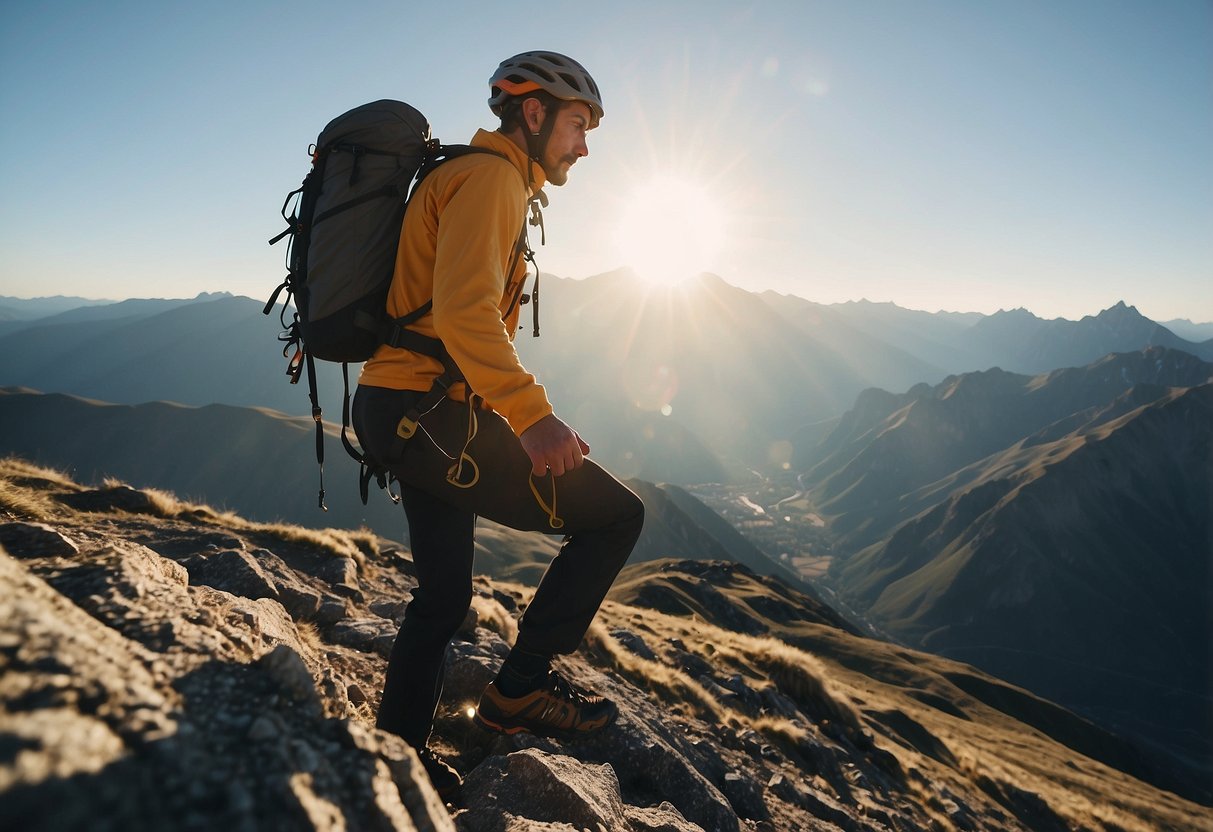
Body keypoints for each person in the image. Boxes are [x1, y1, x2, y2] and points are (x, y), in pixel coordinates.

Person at [352, 51, 644, 798]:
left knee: (444, 599)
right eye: (579, 123)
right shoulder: (491, 179)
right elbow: (462, 311)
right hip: (427, 412)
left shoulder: (479, 176)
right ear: (535, 112)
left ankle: (398, 762)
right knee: (614, 516)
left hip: (409, 409)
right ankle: (519, 689)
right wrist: (531, 415)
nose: (585, 144)